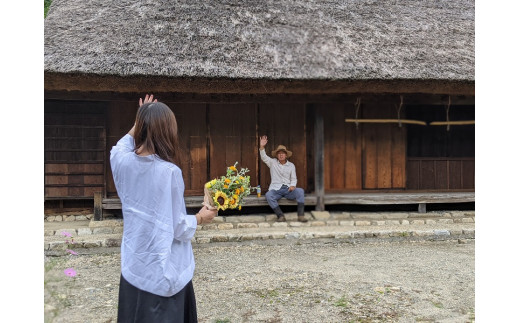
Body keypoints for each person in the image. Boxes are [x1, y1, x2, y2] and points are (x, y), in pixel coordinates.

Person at [110, 94, 217, 322]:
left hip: (135, 264)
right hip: (161, 269)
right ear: (168, 131)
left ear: (142, 128)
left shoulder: (122, 162)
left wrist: (141, 119)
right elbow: (178, 227)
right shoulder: (169, 172)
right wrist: (200, 217)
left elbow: (119, 146)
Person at [259, 135, 308, 222]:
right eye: (279, 153)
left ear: (286, 155)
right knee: (268, 195)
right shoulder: (272, 163)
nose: (281, 155)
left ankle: (301, 216)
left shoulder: (291, 165)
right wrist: (262, 146)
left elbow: (294, 178)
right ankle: (280, 216)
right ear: (277, 155)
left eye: (283, 153)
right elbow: (264, 157)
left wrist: (293, 185)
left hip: (288, 189)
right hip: (275, 189)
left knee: (300, 191)